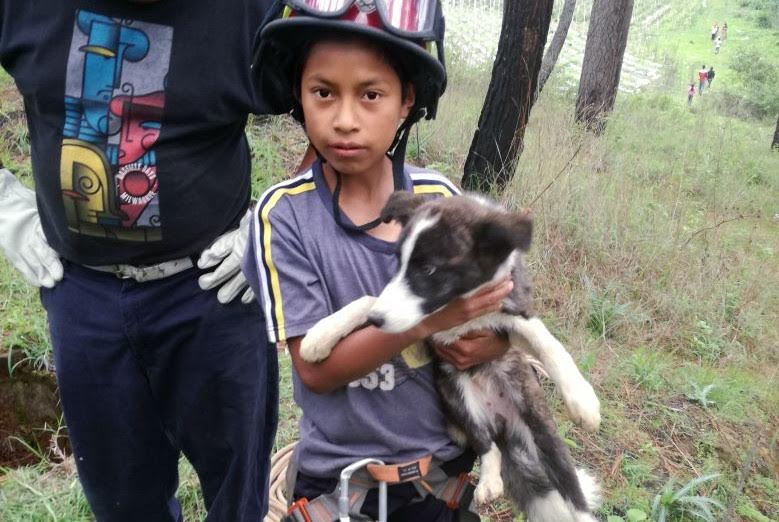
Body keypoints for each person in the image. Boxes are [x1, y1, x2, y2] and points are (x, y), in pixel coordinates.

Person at [0, 1, 283, 520]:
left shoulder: (251, 10)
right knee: (122, 502)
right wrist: (4, 205)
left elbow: (344, 95)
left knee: (237, 495)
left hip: (214, 293)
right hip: (82, 296)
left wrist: (281, 219)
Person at [245, 0, 514, 519]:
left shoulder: (442, 202)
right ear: (299, 95)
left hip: (443, 480)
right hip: (342, 486)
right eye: (323, 93)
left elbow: (498, 315)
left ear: (406, 99)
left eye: (371, 95)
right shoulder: (284, 216)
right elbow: (316, 370)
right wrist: (431, 320)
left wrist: (492, 338)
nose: (345, 120)